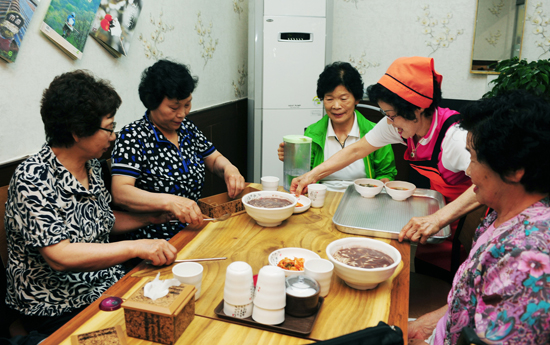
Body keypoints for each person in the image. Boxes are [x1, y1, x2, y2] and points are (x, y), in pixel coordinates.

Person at [4, 70, 177, 337]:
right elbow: (60, 256)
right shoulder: (32, 178)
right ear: (77, 132)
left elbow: (102, 221)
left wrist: (151, 218)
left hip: (106, 284)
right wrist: (136, 246)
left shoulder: (92, 166)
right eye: (108, 128)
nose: (113, 136)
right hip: (57, 305)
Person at [290, 57, 480, 271]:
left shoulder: (454, 139)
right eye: (385, 114)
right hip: (437, 214)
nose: (389, 122)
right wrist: (311, 175)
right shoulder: (400, 125)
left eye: (392, 115)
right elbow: (355, 150)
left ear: (416, 109)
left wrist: (438, 218)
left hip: (464, 216)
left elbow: (488, 184)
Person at [408, 90, 550, 345]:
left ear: (515, 170)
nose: (469, 172)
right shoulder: (500, 215)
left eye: (473, 158)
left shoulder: (527, 263)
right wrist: (432, 323)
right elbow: (471, 295)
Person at [111, 59, 245, 240]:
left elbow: (213, 159)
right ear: (152, 103)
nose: (182, 113)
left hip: (196, 229)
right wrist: (170, 201)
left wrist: (230, 170)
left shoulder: (186, 129)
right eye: (174, 107)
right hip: (156, 240)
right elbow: (121, 192)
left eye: (187, 104)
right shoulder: (133, 136)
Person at [277, 62, 397, 192]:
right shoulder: (313, 133)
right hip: (322, 197)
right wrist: (294, 160)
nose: (336, 106)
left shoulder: (375, 132)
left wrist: (384, 181)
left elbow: (386, 172)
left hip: (362, 197)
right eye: (329, 99)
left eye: (343, 99)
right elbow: (306, 175)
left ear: (357, 99)